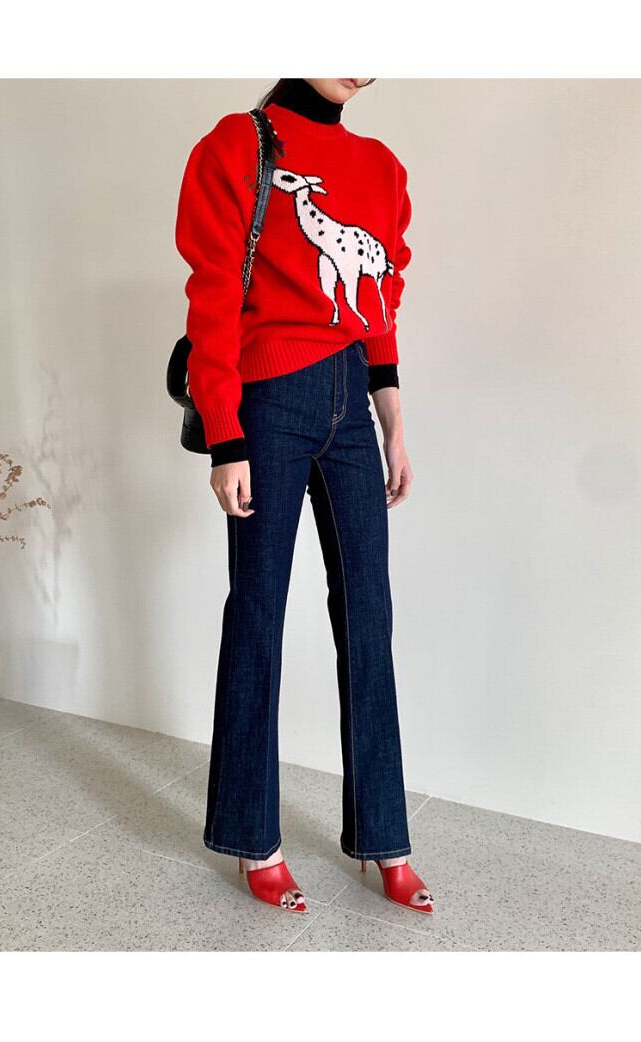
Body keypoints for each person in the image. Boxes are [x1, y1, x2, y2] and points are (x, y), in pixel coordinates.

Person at [175, 78, 433, 915]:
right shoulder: (237, 144)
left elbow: (379, 304)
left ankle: (386, 837)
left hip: (352, 402)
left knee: (369, 612)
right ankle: (255, 837)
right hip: (269, 401)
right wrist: (226, 437)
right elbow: (214, 294)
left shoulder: (382, 167)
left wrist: (393, 426)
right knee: (258, 610)